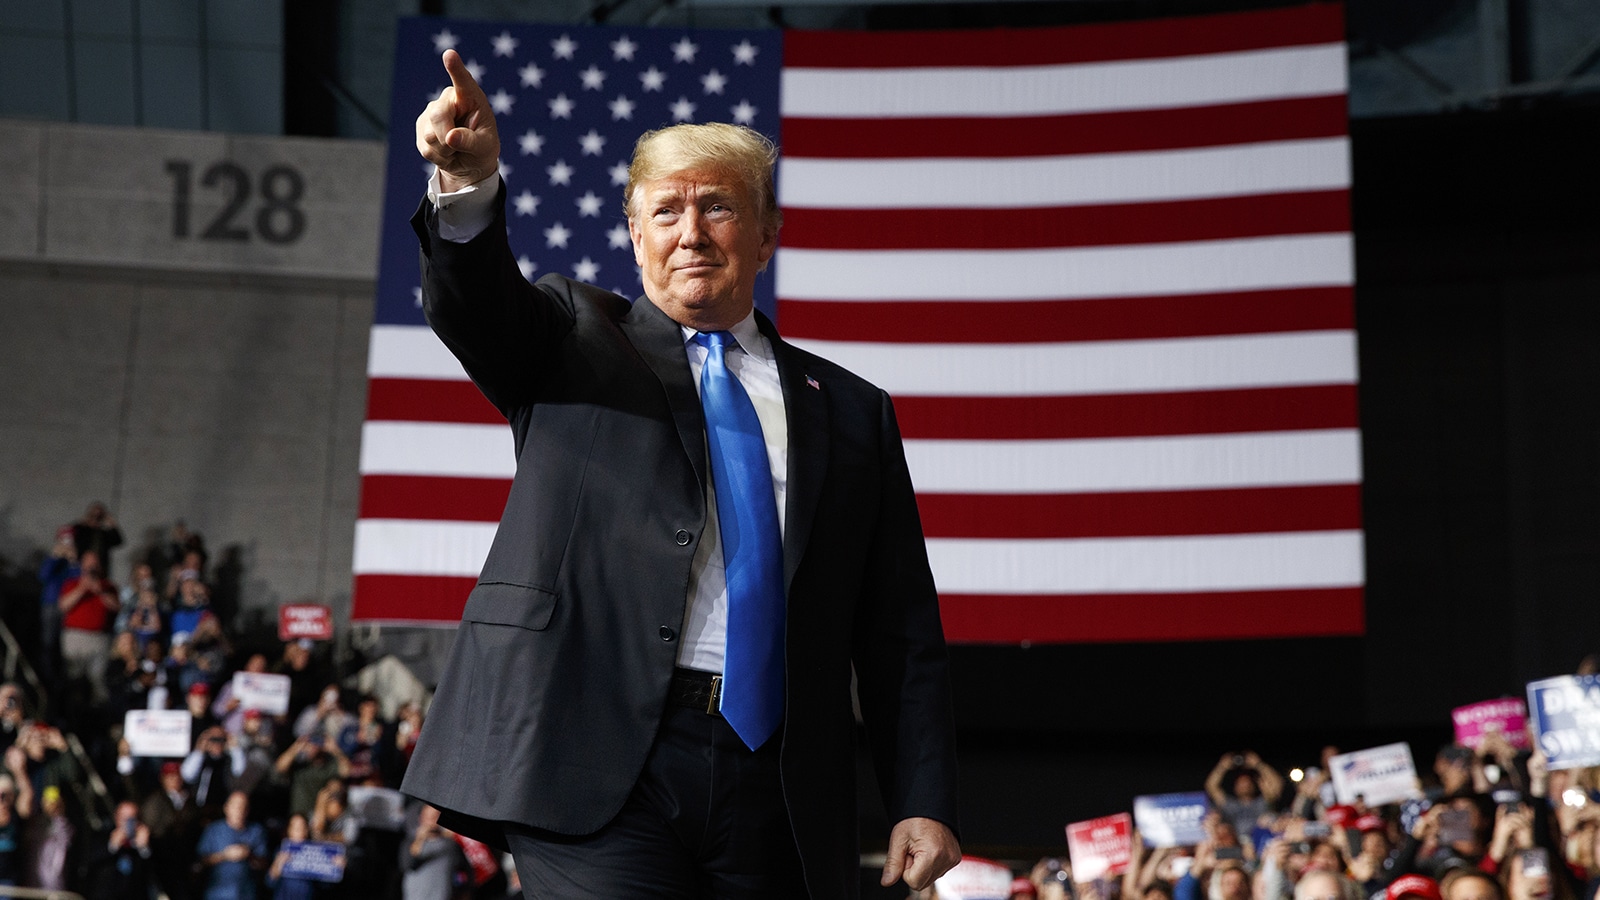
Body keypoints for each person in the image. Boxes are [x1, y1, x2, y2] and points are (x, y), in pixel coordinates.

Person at [402, 48, 960, 899]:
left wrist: (922, 797)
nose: (691, 232)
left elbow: (898, 630)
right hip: (590, 759)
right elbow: (474, 303)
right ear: (634, 232)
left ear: (767, 236)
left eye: (719, 209)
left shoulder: (853, 410)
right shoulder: (570, 338)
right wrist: (469, 186)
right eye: (665, 211)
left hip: (776, 784)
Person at [196, 791, 269, 900]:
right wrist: (225, 856)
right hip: (217, 893)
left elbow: (264, 864)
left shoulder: (256, 831)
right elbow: (201, 861)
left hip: (245, 893)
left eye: (243, 807)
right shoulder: (213, 830)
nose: (239, 811)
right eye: (236, 807)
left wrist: (248, 855)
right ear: (226, 808)